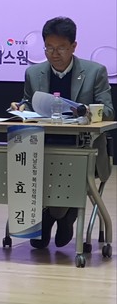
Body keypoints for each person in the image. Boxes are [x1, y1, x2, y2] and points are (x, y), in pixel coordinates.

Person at [10, 16, 113, 249]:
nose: (54, 54)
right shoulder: (34, 73)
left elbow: (108, 111)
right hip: (43, 146)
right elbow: (28, 102)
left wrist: (85, 110)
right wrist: (21, 107)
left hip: (83, 147)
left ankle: (56, 215)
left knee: (68, 165)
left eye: (61, 48)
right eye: (49, 48)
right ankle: (61, 215)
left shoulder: (95, 71)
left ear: (74, 46)